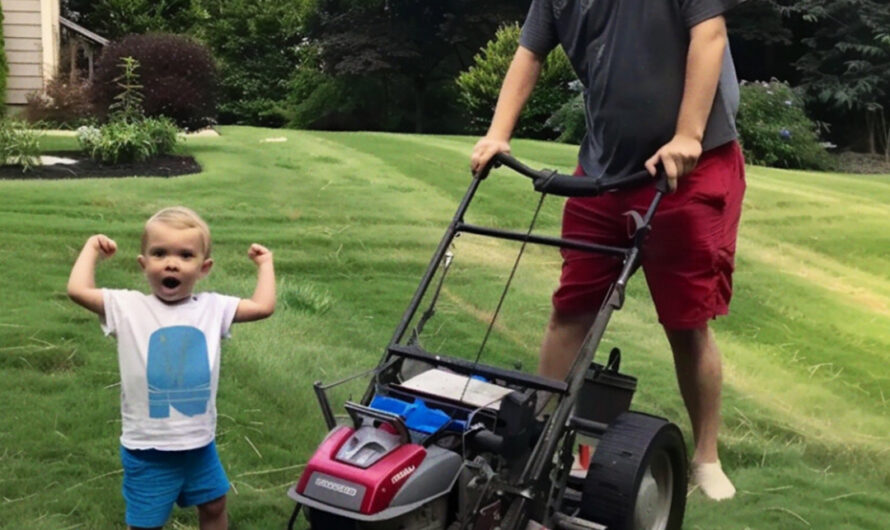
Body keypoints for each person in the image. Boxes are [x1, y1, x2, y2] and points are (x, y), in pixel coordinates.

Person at [470, 0, 746, 501]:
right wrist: (498, 133)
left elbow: (710, 35)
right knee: (570, 309)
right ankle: (540, 440)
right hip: (603, 172)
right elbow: (529, 53)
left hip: (692, 168)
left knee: (686, 323)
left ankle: (706, 456)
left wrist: (688, 134)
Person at [67, 206, 276, 529]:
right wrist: (91, 249)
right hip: (148, 449)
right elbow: (78, 291)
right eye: (159, 253)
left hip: (199, 444)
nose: (171, 262)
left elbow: (263, 307)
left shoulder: (213, 308)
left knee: (215, 505)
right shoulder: (128, 307)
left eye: (185, 255)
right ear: (143, 263)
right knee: (147, 523)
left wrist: (265, 264)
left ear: (204, 267)